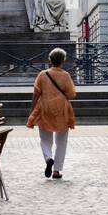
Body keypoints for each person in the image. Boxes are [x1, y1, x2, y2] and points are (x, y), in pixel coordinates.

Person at [27, 48, 76, 179]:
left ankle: (48, 158)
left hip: (45, 108)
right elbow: (71, 94)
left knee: (45, 139)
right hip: (62, 109)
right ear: (63, 61)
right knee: (61, 141)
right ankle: (57, 170)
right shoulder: (65, 75)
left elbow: (36, 93)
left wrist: (32, 110)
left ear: (50, 60)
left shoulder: (43, 75)